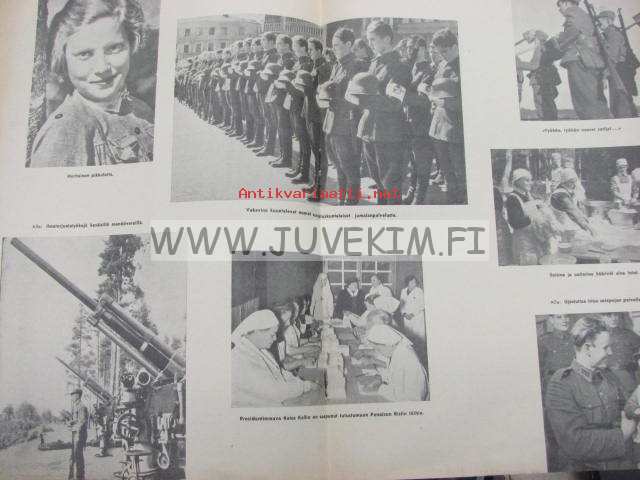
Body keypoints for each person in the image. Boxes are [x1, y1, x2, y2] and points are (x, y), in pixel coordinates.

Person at [31, 0, 154, 167]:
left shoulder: (142, 109)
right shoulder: (62, 134)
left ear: (132, 45)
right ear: (63, 60)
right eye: (85, 54)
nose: (102, 67)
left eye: (114, 48)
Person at [544, 317, 636, 471]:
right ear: (587, 348)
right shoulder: (560, 384)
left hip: (622, 465)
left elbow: (627, 413)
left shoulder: (610, 377)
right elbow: (575, 443)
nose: (611, 352)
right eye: (606, 347)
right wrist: (623, 434)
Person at [357, 20, 411, 205]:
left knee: (390, 186)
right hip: (370, 130)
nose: (369, 44)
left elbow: (394, 103)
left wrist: (366, 99)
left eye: (373, 39)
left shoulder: (399, 66)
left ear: (387, 39)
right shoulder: (374, 63)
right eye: (368, 39)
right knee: (378, 183)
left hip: (388, 133)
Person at [231, 310, 319, 407]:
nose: (275, 338)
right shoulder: (240, 358)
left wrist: (302, 383)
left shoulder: (260, 350)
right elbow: (274, 391)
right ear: (257, 332)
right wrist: (305, 386)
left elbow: (280, 372)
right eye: (272, 334)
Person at [321, 27, 367, 205]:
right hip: (333, 121)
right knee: (338, 164)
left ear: (349, 44)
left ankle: (351, 202)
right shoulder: (337, 65)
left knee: (349, 165)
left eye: (337, 45)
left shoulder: (357, 65)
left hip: (347, 123)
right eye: (332, 45)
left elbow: (356, 97)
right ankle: (342, 199)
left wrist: (333, 97)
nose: (333, 49)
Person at [549, 0, 611, 120]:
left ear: (566, 3)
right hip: (590, 60)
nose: (559, 9)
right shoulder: (584, 15)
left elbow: (573, 31)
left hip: (579, 59)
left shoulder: (573, 12)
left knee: (584, 102)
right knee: (594, 99)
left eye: (560, 5)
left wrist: (556, 42)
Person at [428, 28, 467, 204]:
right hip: (438, 128)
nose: (442, 55)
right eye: (439, 52)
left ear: (455, 47)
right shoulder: (442, 65)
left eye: (444, 51)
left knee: (460, 172)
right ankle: (452, 200)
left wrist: (445, 103)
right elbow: (436, 88)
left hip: (455, 129)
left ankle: (462, 203)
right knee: (447, 172)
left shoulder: (463, 66)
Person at [365, 324, 428, 401]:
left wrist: (380, 389)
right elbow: (395, 375)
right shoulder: (397, 351)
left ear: (389, 344)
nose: (379, 353)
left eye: (379, 349)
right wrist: (381, 379)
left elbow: (413, 398)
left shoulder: (408, 359)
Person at [598, 10, 638, 119]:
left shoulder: (612, 34)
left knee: (621, 104)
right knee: (623, 102)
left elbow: (612, 57)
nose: (598, 24)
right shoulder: (611, 33)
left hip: (619, 71)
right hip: (619, 70)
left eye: (600, 21)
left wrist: (604, 75)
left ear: (608, 20)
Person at [505, 168, 549, 265]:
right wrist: (533, 217)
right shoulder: (512, 199)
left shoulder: (528, 196)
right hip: (523, 242)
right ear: (517, 181)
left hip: (534, 239)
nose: (530, 183)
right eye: (527, 180)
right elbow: (515, 223)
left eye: (530, 180)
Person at [516, 30, 561, 120]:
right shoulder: (545, 48)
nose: (532, 42)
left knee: (542, 105)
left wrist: (517, 63)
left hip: (539, 80)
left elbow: (534, 66)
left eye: (532, 40)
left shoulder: (540, 48)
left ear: (537, 38)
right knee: (548, 105)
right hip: (545, 79)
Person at [601, 312, 640, 395]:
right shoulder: (599, 336)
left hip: (630, 375)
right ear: (602, 317)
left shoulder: (629, 334)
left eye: (615, 315)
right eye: (609, 315)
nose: (613, 318)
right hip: (609, 377)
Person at [550, 167, 595, 236]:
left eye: (574, 181)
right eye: (572, 182)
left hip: (566, 224)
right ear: (566, 182)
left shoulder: (566, 191)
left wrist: (586, 220)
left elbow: (576, 209)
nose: (574, 184)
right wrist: (589, 228)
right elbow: (572, 211)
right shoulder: (560, 195)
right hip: (560, 228)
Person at [538, 314, 574, 388]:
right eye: (559, 317)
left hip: (573, 383)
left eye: (566, 316)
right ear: (551, 320)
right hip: (553, 383)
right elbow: (540, 369)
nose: (564, 320)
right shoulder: (544, 341)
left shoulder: (574, 339)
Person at [67, 388, 89, 480]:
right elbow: (78, 420)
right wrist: (71, 422)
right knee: (73, 457)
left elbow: (82, 422)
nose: (71, 397)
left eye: (73, 395)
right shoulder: (76, 406)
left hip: (79, 435)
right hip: (75, 434)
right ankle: (71, 477)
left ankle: (80, 477)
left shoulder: (81, 406)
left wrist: (75, 429)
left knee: (78, 457)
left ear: (77, 395)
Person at [400, 275, 426, 348]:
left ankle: (420, 350)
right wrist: (404, 313)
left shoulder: (419, 291)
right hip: (407, 317)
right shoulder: (403, 291)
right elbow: (401, 304)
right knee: (409, 336)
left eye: (414, 282)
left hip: (417, 317)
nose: (414, 284)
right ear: (407, 283)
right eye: (411, 282)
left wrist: (412, 314)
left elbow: (422, 305)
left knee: (418, 336)